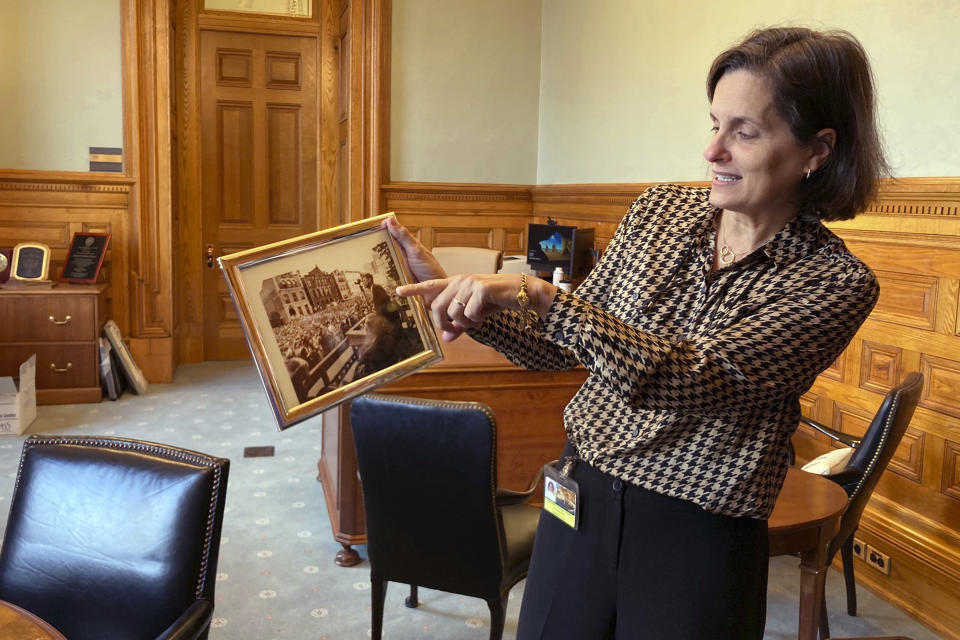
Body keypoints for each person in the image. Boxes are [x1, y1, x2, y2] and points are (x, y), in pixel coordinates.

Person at [385, 26, 886, 639]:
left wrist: (542, 296)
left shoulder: (833, 282)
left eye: (744, 132)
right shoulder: (658, 214)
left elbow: (696, 377)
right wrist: (470, 303)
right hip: (579, 497)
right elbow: (560, 345)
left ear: (818, 150)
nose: (713, 151)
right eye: (714, 123)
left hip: (697, 534)